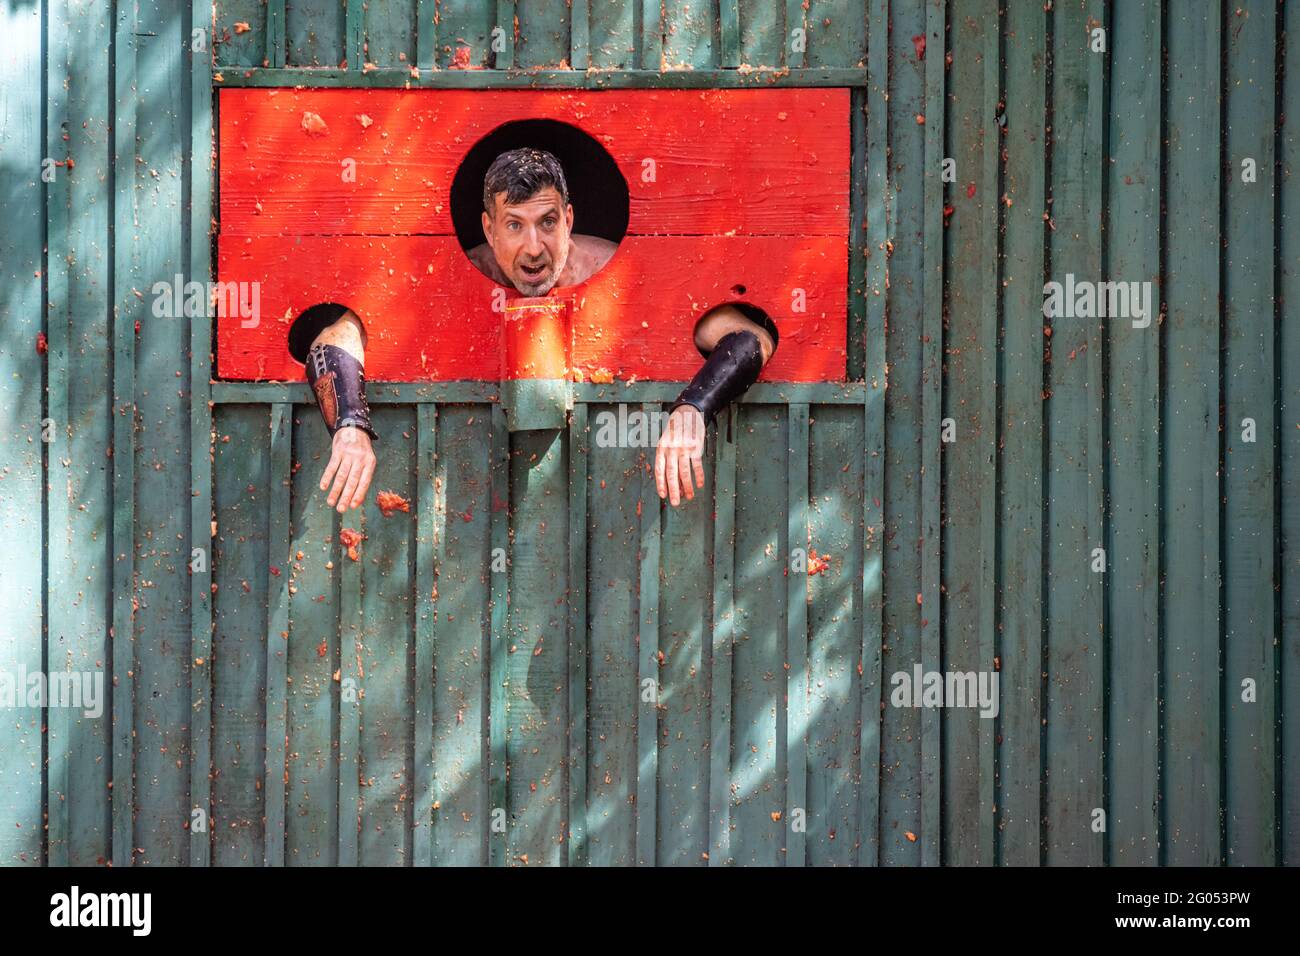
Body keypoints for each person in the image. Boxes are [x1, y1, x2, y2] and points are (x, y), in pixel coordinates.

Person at [287, 147, 777, 513]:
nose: (535, 247)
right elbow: (340, 331)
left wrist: (695, 407)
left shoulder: (615, 270)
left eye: (547, 222)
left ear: (568, 219)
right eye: (515, 225)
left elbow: (751, 337)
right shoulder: (451, 276)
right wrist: (349, 424)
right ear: (488, 228)